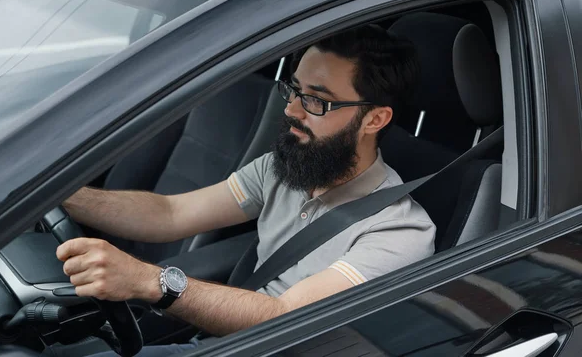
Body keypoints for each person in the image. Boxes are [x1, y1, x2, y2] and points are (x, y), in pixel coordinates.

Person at [57, 25, 436, 356]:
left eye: (316, 100)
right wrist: (61, 197)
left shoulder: (400, 232)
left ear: (375, 119)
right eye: (294, 89)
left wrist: (147, 280)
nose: (291, 110)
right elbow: (170, 214)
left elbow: (284, 320)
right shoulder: (286, 168)